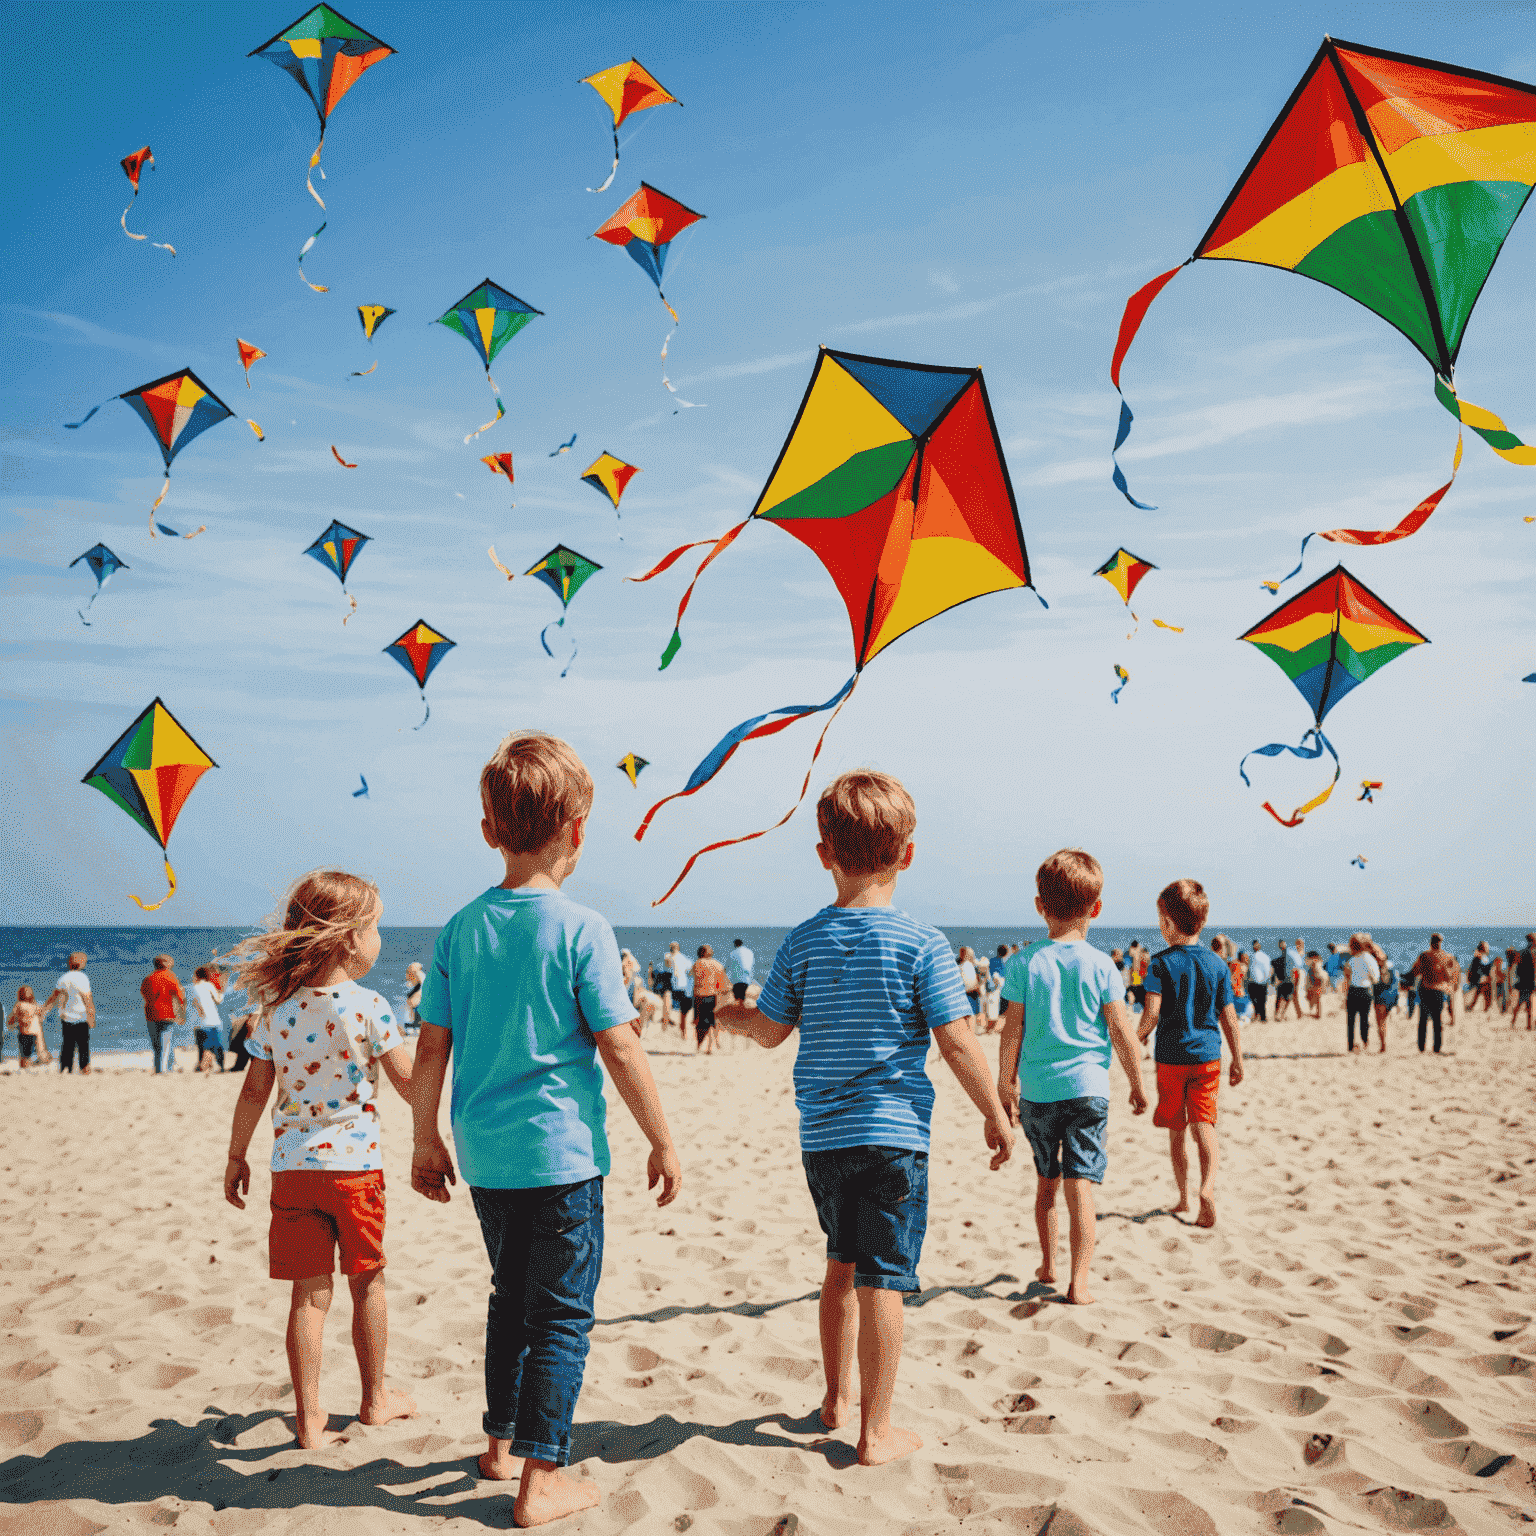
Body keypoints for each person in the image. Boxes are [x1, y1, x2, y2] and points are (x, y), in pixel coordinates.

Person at [409, 730, 681, 1527]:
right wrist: (661, 1137)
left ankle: (499, 1444)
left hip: (487, 1157)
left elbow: (432, 1047)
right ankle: (539, 1479)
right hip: (561, 1158)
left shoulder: (460, 929)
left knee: (509, 1299)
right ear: (579, 832)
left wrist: (424, 1136)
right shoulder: (581, 928)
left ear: (490, 830)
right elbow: (620, 1043)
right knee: (560, 1315)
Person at [716, 768, 1013, 1466]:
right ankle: (875, 1433)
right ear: (907, 854)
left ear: (824, 853)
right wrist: (995, 1112)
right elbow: (958, 1040)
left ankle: (834, 1399)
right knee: (885, 1275)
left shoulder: (803, 941)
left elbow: (769, 1030)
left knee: (839, 1265)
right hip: (893, 1137)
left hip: (823, 1140)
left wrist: (732, 1020)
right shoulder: (923, 945)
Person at [222, 869, 418, 1449]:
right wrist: (437, 1103)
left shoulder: (274, 1009)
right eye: (376, 928)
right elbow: (409, 1085)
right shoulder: (370, 1005)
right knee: (368, 1286)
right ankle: (374, 1399)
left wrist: (236, 1154)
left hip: (293, 1168)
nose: (380, 939)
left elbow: (254, 1091)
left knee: (308, 1295)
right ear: (349, 938)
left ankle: (309, 1420)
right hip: (354, 1169)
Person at [997, 849, 1147, 1305]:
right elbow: (1122, 1032)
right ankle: (1078, 1282)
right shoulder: (1103, 965)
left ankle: (1048, 1263)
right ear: (1096, 909)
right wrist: (1138, 1083)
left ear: (1040, 905)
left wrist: (1006, 1085)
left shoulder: (1023, 963)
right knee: (1080, 1184)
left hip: (1038, 1092)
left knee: (1046, 1181)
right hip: (1088, 1090)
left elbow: (1011, 1031)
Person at [1136, 880, 1245, 1228]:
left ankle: (1183, 1198)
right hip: (1208, 1057)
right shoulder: (1218, 964)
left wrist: (1133, 1039)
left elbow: (1151, 1015)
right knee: (1205, 1124)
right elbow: (1229, 1018)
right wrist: (1238, 1059)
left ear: (1167, 922)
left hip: (1170, 1057)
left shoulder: (1159, 964)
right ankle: (1207, 1188)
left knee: (1176, 1129)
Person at [42, 952, 94, 1074]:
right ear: (82, 964)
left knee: (67, 1043)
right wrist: (91, 1015)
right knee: (83, 1044)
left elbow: (54, 997)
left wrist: (45, 1009)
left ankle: (66, 1067)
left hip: (67, 1017)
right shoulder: (83, 978)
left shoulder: (64, 978)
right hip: (81, 1016)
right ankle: (84, 1067)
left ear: (69, 963)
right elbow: (87, 998)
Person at [1408, 933, 1457, 1054]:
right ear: (1440, 942)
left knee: (1423, 1018)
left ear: (1431, 942)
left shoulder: (1424, 955)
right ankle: (1436, 1048)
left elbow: (1415, 971)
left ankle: (1421, 1047)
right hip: (1438, 990)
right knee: (1437, 1020)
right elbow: (1448, 977)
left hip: (1425, 989)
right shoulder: (1446, 957)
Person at [140, 955, 185, 1073]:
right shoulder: (171, 976)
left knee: (156, 1044)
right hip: (167, 1013)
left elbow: (144, 993)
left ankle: (161, 1067)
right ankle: (163, 1069)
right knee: (165, 1043)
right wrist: (182, 1014)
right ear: (166, 963)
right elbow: (180, 997)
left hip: (151, 1013)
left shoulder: (149, 978)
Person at [1341, 934, 1378, 1052]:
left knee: (1351, 1020)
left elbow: (1347, 977)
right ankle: (1365, 1043)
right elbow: (1375, 978)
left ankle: (1350, 1046)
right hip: (1365, 990)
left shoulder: (1351, 960)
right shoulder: (1369, 958)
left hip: (1352, 990)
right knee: (1364, 1019)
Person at [691, 943, 728, 1054]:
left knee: (699, 1022)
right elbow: (722, 984)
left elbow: (695, 978)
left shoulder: (697, 963)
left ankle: (698, 1046)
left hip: (699, 995)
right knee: (711, 1022)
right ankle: (709, 1047)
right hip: (712, 995)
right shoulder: (717, 964)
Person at [191, 965, 227, 1073]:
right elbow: (219, 1000)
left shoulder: (193, 987)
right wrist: (222, 991)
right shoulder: (209, 985)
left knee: (201, 1047)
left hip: (198, 1022)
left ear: (197, 976)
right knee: (217, 1046)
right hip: (212, 1019)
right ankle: (221, 1067)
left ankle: (202, 1065)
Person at [1370, 939, 1398, 1053]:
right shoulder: (1391, 966)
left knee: (1381, 1022)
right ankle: (1383, 1045)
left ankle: (1383, 1046)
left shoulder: (1378, 968)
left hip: (1381, 997)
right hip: (1392, 995)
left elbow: (1383, 981)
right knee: (1383, 1022)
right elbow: (1396, 982)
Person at [8, 986, 45, 1069]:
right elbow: (13, 1017)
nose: (27, 994)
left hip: (29, 1032)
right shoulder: (26, 1005)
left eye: (28, 992)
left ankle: (26, 1066)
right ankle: (26, 1067)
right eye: (26, 992)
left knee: (27, 1053)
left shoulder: (27, 1005)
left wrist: (11, 1023)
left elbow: (13, 1018)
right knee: (26, 1054)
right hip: (28, 1032)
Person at [1510, 935, 1535, 1031]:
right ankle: (1527, 1025)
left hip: (1524, 981)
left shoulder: (1523, 952)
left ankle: (1519, 1022)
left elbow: (1518, 969)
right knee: (1525, 1003)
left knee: (1524, 1002)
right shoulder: (1530, 953)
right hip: (1528, 982)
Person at [1273, 939, 1299, 1022]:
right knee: (1284, 998)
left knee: (1285, 998)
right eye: (1281, 945)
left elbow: (1294, 967)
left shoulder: (1288, 954)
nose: (1282, 946)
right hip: (1286, 980)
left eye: (1282, 944)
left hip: (1288, 979)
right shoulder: (1286, 955)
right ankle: (1279, 1015)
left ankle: (1280, 1015)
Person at [1245, 940, 1272, 1022]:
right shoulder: (1253, 956)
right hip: (1256, 982)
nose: (1255, 946)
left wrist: (1267, 979)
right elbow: (1250, 969)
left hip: (1259, 982)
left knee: (1260, 1000)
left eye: (1256, 945)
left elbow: (1267, 970)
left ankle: (1262, 1017)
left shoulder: (1261, 956)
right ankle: (1260, 1016)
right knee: (1258, 1000)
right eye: (1254, 945)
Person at [1466, 943, 1494, 1013]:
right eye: (1486, 947)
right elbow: (1482, 968)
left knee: (1478, 995)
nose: (1488, 948)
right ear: (1483, 948)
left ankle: (1472, 1007)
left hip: (1480, 980)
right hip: (1479, 980)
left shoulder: (1480, 956)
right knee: (1486, 994)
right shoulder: (1479, 957)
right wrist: (1493, 963)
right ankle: (1485, 1009)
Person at [726, 938, 755, 1003]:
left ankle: (739, 1011)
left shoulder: (733, 953)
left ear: (735, 945)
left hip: (736, 980)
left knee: (737, 998)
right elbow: (752, 965)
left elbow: (727, 966)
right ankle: (742, 1010)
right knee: (743, 997)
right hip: (747, 979)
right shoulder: (749, 952)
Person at [957, 946, 982, 1018]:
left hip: (972, 994)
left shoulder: (965, 966)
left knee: (972, 1016)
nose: (973, 956)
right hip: (969, 994)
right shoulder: (965, 966)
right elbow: (969, 983)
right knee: (970, 1017)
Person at [403, 962, 425, 1034]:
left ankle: (415, 1026)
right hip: (419, 990)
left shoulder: (420, 974)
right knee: (414, 1006)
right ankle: (414, 1025)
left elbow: (422, 984)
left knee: (416, 1008)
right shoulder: (418, 974)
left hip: (421, 991)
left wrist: (418, 994)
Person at [1305, 951, 1326, 1019]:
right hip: (1319, 981)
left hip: (1318, 982)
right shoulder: (1317, 963)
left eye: (1308, 958)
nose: (1307, 959)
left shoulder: (1315, 964)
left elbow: (1316, 974)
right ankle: (1318, 1013)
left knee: (1317, 998)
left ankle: (1318, 1014)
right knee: (1317, 998)